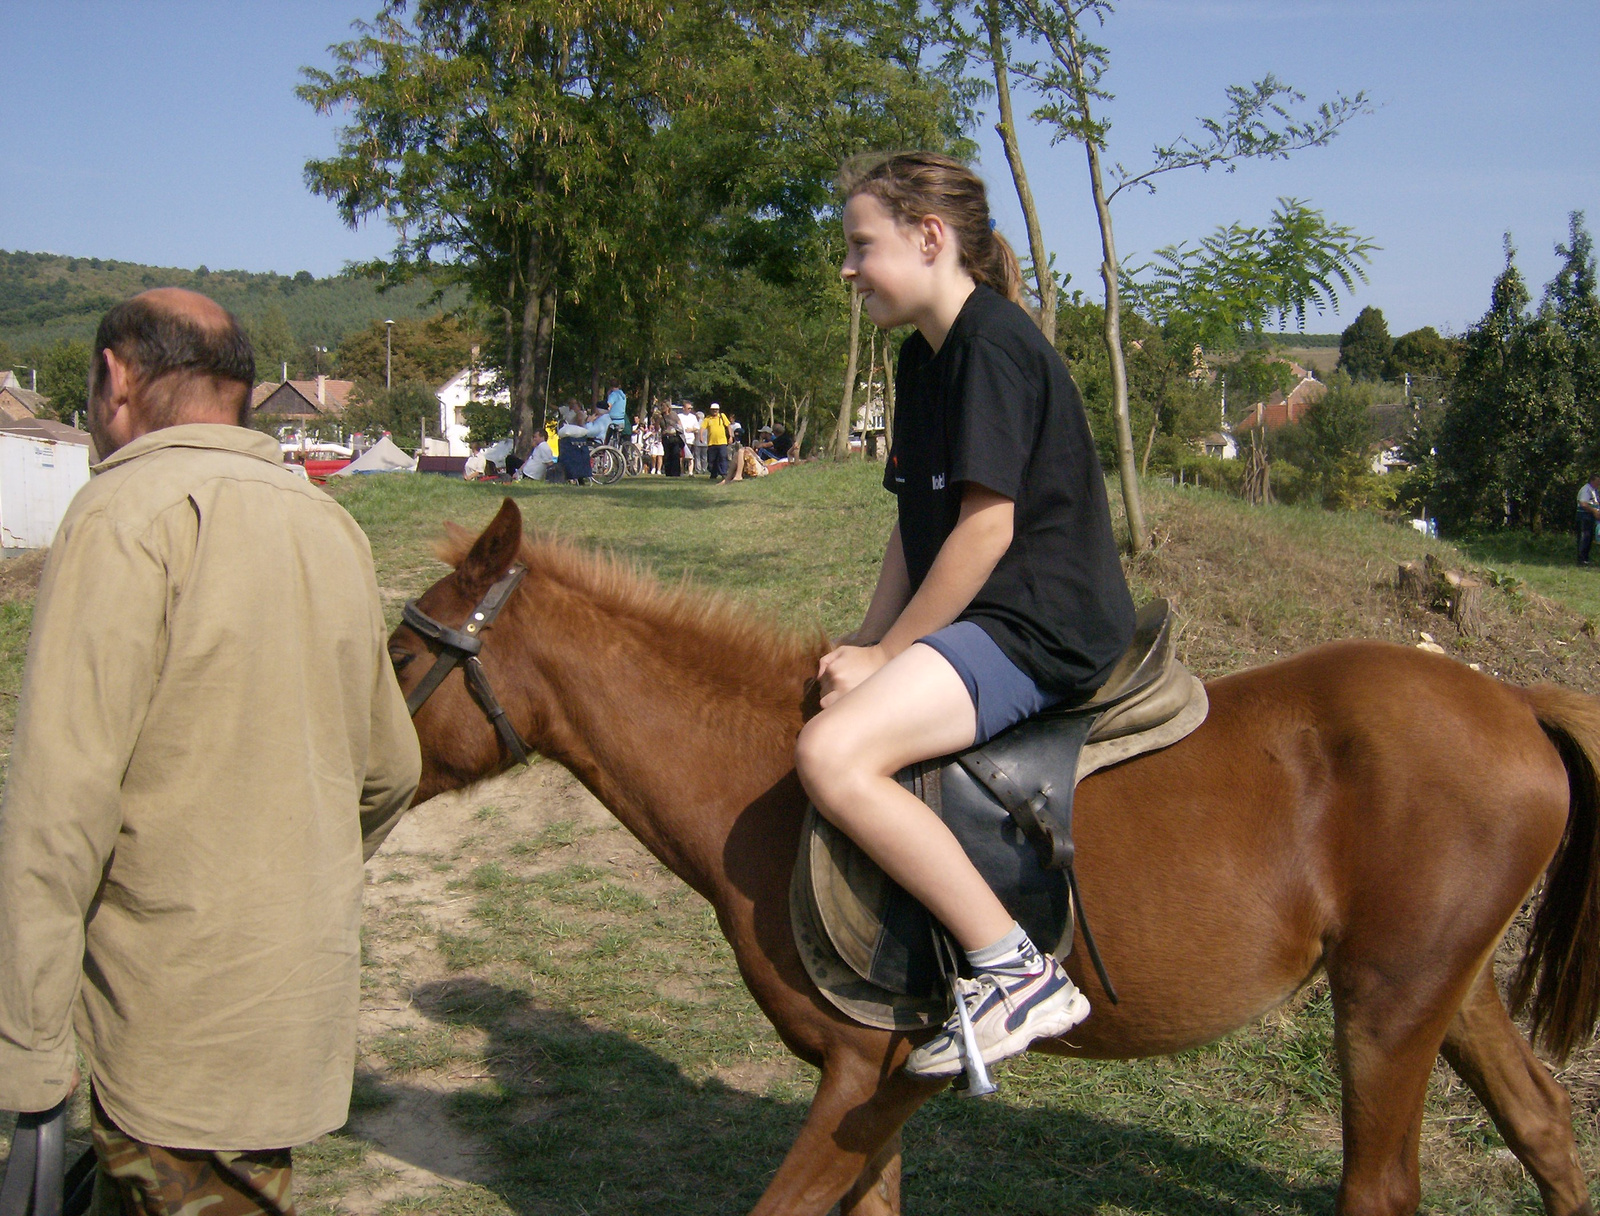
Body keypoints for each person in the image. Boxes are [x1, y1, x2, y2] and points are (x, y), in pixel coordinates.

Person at [0, 289, 421, 1213]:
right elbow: (393, 771)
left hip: (165, 1031)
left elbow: (55, 814)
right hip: (284, 1013)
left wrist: (27, 1055)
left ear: (115, 378)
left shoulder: (120, 515)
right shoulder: (329, 525)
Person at [793, 152, 1135, 1083]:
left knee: (832, 756)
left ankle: (1013, 968)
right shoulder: (924, 357)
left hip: (1040, 625)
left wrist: (895, 653)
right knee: (843, 707)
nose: (849, 267)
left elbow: (986, 531)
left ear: (930, 238)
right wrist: (868, 644)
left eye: (863, 245)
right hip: (990, 615)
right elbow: (917, 529)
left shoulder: (994, 345)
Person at [703, 402, 733, 480]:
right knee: (712, 460)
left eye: (716, 410)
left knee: (723, 457)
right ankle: (713, 473)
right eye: (713, 410)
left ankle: (724, 473)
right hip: (711, 443)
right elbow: (702, 428)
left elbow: (728, 426)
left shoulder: (722, 417)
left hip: (722, 442)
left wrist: (730, 436)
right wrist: (701, 436)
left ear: (718, 410)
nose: (715, 411)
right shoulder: (707, 419)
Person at [1579, 474, 1600, 566]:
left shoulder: (1594, 490)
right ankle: (1581, 560)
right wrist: (1594, 511)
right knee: (1585, 538)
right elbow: (1583, 504)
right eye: (1597, 481)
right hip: (1585, 517)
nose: (1599, 483)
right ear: (1592, 481)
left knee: (1589, 538)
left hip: (1591, 517)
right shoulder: (1586, 490)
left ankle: (1586, 559)